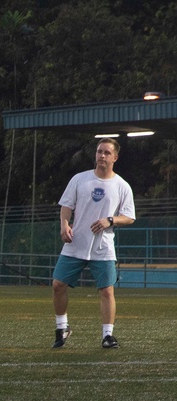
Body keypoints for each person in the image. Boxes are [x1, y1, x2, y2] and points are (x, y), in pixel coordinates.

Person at [51, 137, 135, 349]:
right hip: (76, 242)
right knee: (57, 285)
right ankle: (62, 327)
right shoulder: (80, 179)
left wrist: (111, 220)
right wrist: (64, 225)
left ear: (115, 157)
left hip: (103, 247)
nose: (102, 156)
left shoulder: (122, 186)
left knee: (107, 291)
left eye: (107, 153)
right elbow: (66, 205)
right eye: (99, 152)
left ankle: (108, 336)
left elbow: (129, 217)